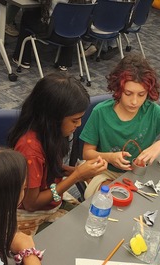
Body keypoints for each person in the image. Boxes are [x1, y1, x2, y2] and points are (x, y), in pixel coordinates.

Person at [80, 54, 160, 199]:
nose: (134, 101)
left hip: (137, 173)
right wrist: (109, 157)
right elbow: (87, 153)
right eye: (128, 93)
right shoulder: (100, 112)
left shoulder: (152, 111)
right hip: (104, 171)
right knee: (112, 198)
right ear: (118, 89)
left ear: (149, 92)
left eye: (141, 94)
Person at [8, 73, 108, 235]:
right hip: (28, 214)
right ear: (53, 118)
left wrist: (76, 172)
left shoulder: (49, 133)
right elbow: (31, 204)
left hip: (51, 199)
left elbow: (46, 168)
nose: (79, 124)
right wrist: (75, 177)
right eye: (75, 120)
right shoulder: (30, 149)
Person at [11, 0, 73, 71]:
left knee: (27, 16)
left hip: (53, 34)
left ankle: (23, 59)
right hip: (75, 35)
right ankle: (64, 62)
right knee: (70, 19)